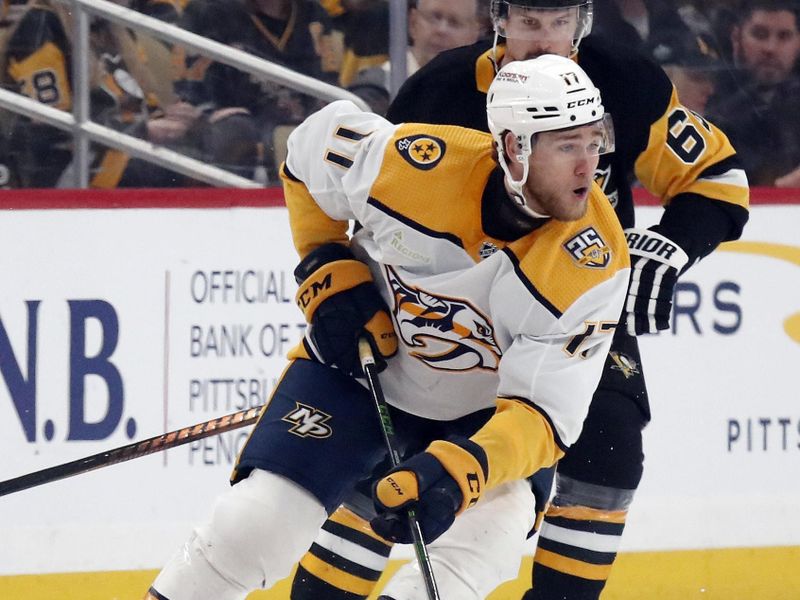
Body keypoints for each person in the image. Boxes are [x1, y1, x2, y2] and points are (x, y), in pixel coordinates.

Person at [297, 1, 750, 599]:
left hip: (570, 306)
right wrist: (341, 281)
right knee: (387, 463)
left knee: (608, 449)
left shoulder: (624, 79)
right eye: (529, 23)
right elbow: (377, 214)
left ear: (582, 22)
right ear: (500, 19)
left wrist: (671, 246)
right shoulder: (441, 88)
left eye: (558, 23)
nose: (543, 40)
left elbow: (718, 180)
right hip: (442, 319)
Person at [144, 53, 632, 600]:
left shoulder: (593, 264)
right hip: (362, 373)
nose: (589, 167)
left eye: (594, 142)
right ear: (514, 148)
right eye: (568, 146)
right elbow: (309, 151)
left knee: (483, 545)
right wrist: (326, 262)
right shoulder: (413, 165)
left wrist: (457, 471)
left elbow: (542, 417)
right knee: (252, 525)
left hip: (484, 418)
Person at [706, 0, 800, 186]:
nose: (770, 48)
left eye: (784, 36)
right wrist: (783, 188)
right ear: (736, 37)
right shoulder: (713, 111)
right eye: (760, 34)